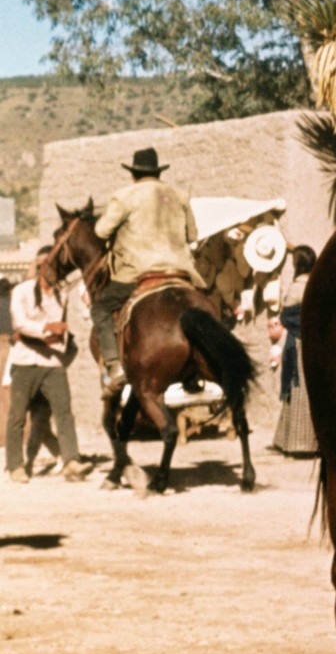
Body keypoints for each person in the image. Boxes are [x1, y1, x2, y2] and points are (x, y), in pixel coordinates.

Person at [92, 147, 202, 390]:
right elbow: (193, 235)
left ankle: (114, 365)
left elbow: (100, 231)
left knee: (100, 309)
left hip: (137, 271)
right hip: (180, 271)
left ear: (134, 174)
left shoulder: (124, 196)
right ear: (157, 173)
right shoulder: (180, 195)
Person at [5, 252, 92, 482]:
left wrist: (60, 340)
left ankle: (71, 460)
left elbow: (63, 328)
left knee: (64, 412)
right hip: (26, 361)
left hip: (52, 362)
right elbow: (20, 323)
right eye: (46, 264)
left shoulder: (61, 295)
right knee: (18, 415)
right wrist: (47, 328)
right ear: (39, 266)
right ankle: (15, 465)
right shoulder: (22, 291)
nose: (51, 269)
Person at [273, 245, 319, 457]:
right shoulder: (321, 281)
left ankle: (299, 443)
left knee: (298, 387)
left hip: (300, 343)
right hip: (317, 341)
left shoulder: (297, 286)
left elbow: (286, 316)